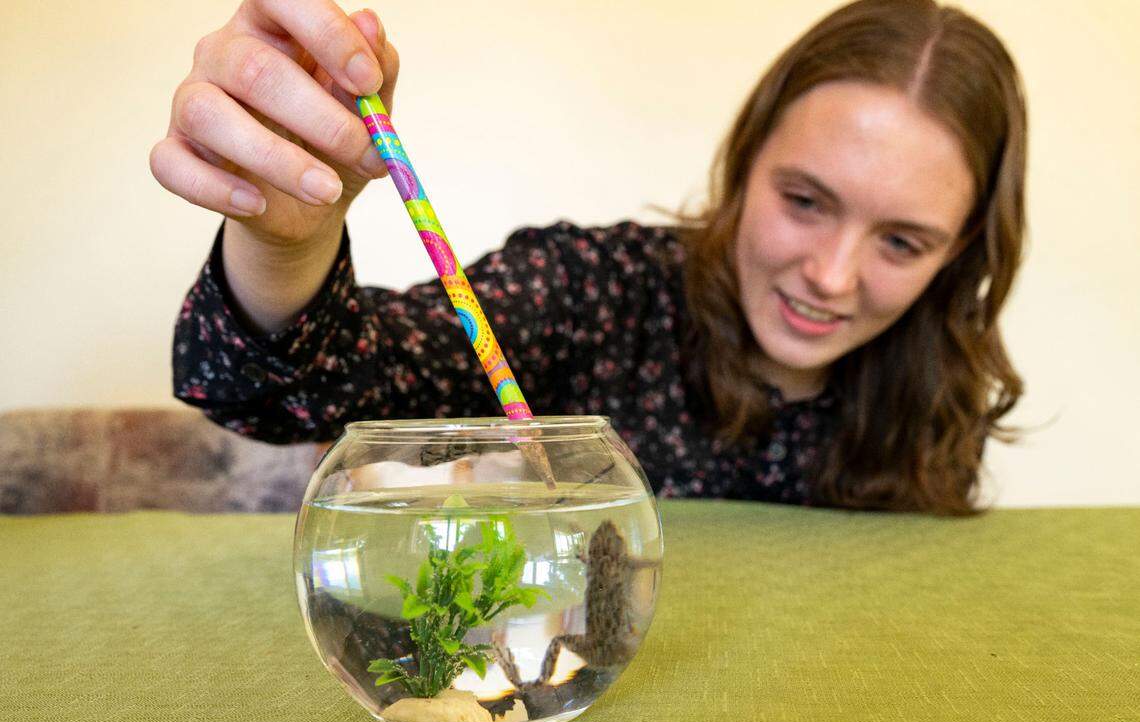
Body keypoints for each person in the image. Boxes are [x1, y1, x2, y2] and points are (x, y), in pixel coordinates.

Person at [153, 0, 1026, 515]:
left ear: (960, 254)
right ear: (746, 160)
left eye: (903, 242)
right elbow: (271, 393)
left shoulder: (935, 381)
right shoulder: (590, 290)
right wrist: (282, 237)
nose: (832, 276)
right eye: (804, 201)